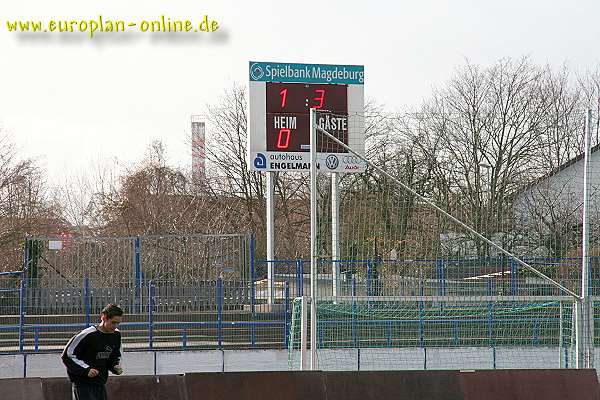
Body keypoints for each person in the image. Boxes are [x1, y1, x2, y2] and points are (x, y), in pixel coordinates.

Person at [62, 303, 124, 400]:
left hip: (100, 383)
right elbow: (67, 355)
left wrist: (115, 366)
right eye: (113, 322)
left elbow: (115, 355)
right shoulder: (87, 334)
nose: (115, 326)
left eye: (118, 323)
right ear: (103, 318)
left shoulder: (116, 335)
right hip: (83, 384)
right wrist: (86, 370)